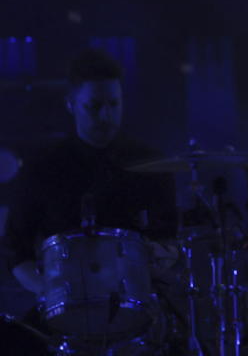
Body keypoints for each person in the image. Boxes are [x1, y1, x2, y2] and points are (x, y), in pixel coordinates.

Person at [2, 48, 178, 349]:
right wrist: (49, 291)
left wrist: (160, 256)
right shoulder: (42, 168)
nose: (106, 116)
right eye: (94, 106)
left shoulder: (151, 164)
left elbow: (171, 242)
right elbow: (16, 252)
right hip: (64, 315)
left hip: (136, 311)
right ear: (71, 104)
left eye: (114, 104)